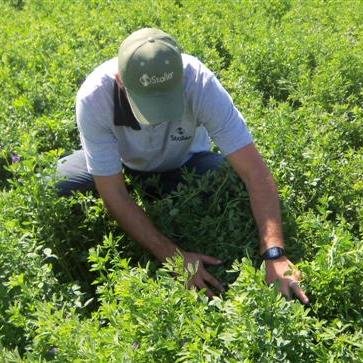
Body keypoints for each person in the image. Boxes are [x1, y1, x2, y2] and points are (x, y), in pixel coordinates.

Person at [57, 28, 309, 304]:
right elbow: (113, 193)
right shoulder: (95, 97)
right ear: (121, 81)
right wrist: (174, 257)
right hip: (123, 165)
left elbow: (254, 172)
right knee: (59, 185)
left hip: (186, 165)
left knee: (223, 181)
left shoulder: (199, 82)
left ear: (181, 77)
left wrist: (274, 253)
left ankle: (159, 198)